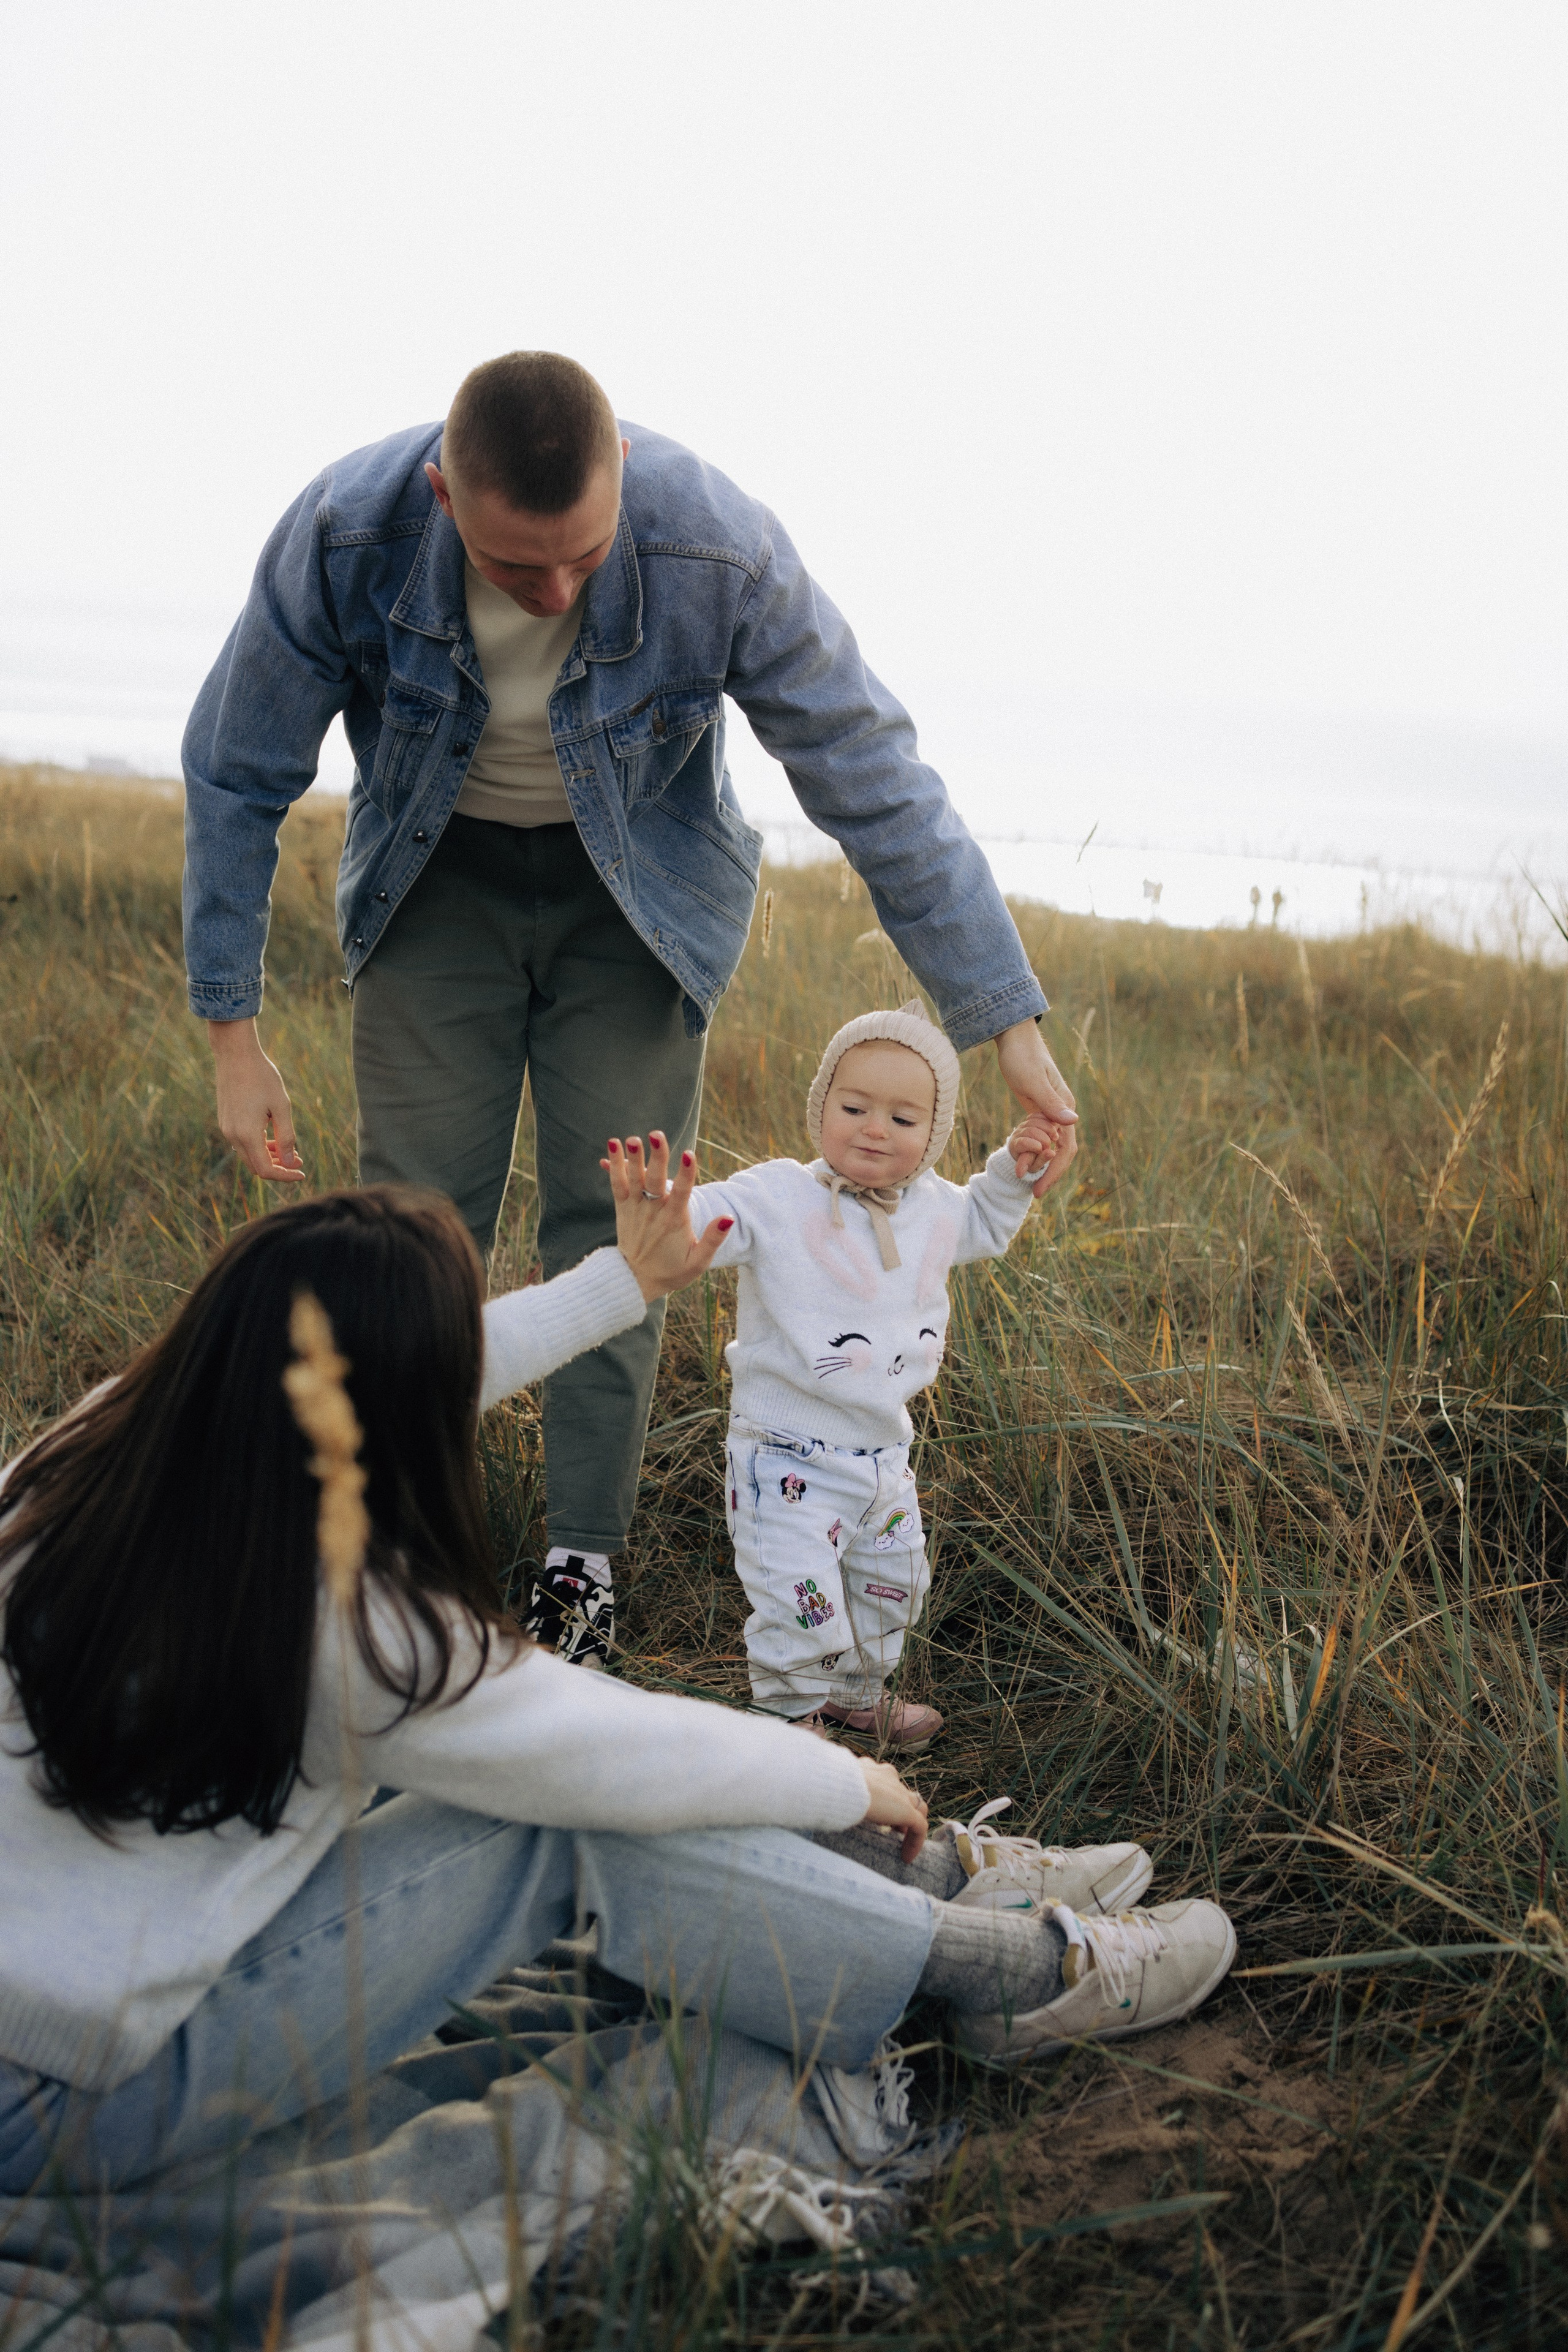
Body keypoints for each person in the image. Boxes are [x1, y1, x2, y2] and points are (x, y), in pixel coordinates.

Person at [0, 1163, 1234, 2192]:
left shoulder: (93, 1455)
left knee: (561, 1800)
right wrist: (842, 1771)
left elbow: (383, 1379)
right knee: (565, 1825)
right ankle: (1009, 1980)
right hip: (75, 2104)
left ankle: (957, 1885)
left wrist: (624, 1285)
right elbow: (625, 1752)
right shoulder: (347, 1629)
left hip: (66, 2018)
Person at [181, 349, 1082, 1665]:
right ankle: (393, 1554)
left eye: (583, 561)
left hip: (638, 901)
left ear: (620, 491)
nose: (553, 593)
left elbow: (870, 775)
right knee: (409, 1234)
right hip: (433, 891)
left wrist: (1005, 1019)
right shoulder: (347, 530)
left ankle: (578, 1566)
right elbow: (235, 769)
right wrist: (233, 1039)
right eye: (515, 569)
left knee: (627, 1227)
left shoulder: (715, 546)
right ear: (442, 492)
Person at [676, 1000, 1057, 1751]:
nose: (875, 1128)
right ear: (822, 1106)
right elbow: (708, 1217)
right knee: (798, 1594)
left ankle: (857, 1694)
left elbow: (984, 1219)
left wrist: (1014, 1170)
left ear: (933, 1133)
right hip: (783, 1452)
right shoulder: (779, 1195)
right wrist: (662, 1206)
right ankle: (790, 1718)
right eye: (853, 1107)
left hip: (884, 1454)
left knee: (891, 1585)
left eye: (903, 1119)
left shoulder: (932, 1209)